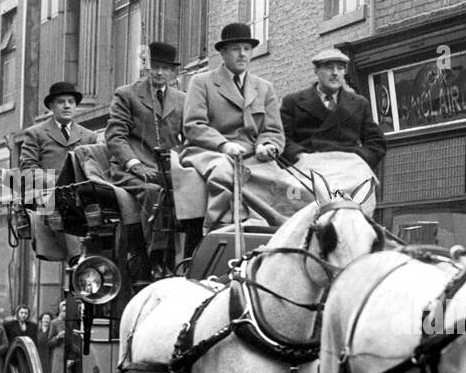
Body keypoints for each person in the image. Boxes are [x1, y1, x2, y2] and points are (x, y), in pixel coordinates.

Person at [181, 22, 288, 232]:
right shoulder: (202, 82)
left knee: (282, 181)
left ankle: (271, 231)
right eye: (235, 49)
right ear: (223, 53)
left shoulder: (264, 88)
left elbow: (273, 130)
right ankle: (218, 229)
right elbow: (194, 125)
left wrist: (265, 145)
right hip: (207, 151)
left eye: (247, 49)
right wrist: (223, 145)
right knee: (223, 171)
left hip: (251, 154)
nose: (242, 55)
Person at [106, 40, 187, 275]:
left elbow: (190, 136)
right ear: (147, 67)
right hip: (131, 171)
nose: (160, 73)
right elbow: (115, 137)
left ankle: (186, 261)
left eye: (166, 68)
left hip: (168, 170)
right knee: (153, 193)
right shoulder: (127, 95)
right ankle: (153, 261)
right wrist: (135, 164)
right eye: (155, 67)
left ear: (173, 73)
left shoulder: (182, 99)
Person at [280, 47, 386, 174]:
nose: (335, 73)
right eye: (329, 67)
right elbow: (282, 139)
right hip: (308, 171)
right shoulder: (293, 102)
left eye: (340, 68)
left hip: (348, 170)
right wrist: (299, 156)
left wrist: (359, 158)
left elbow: (376, 143)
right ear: (316, 71)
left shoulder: (359, 104)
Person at [19, 81, 99, 176]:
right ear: (51, 106)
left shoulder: (89, 136)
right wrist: (55, 183)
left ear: (75, 106)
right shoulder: (35, 134)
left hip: (80, 190)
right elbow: (27, 168)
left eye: (71, 102)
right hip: (47, 189)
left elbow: (96, 169)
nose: (66, 106)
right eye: (61, 102)